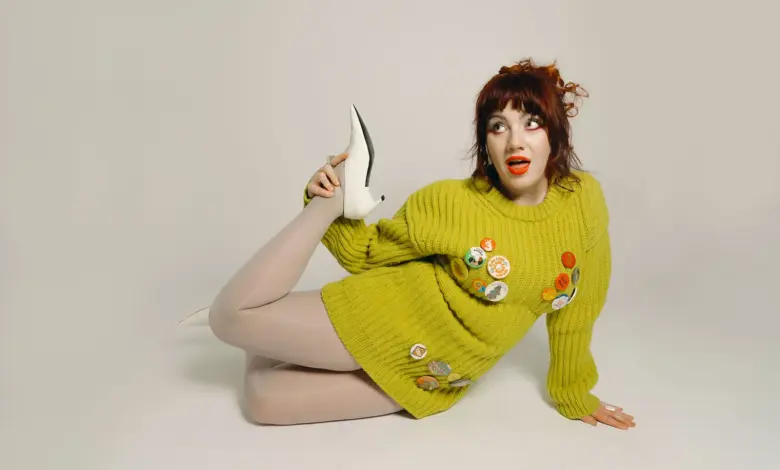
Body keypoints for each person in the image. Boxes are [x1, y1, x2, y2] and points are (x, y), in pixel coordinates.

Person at [207, 58, 636, 430]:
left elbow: (579, 308)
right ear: (486, 143)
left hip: (435, 375)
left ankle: (261, 341)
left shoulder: (584, 201)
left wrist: (573, 393)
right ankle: (334, 199)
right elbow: (365, 253)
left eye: (531, 122)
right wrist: (323, 203)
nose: (515, 141)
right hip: (382, 316)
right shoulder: (451, 202)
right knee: (228, 318)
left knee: (264, 403)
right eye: (498, 126)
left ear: (555, 133)